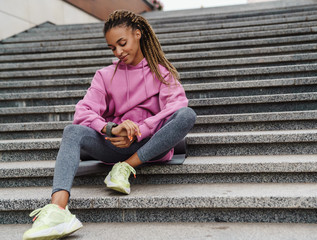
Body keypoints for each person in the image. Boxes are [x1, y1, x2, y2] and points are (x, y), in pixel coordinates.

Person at [23, 10, 196, 240]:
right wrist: (111, 128)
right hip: (114, 143)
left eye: (122, 43)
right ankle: (58, 210)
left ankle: (126, 167)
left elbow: (175, 107)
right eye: (113, 47)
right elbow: (82, 111)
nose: (119, 52)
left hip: (151, 145)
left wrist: (140, 129)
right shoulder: (105, 76)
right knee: (72, 131)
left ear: (138, 34)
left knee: (187, 114)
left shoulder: (161, 73)